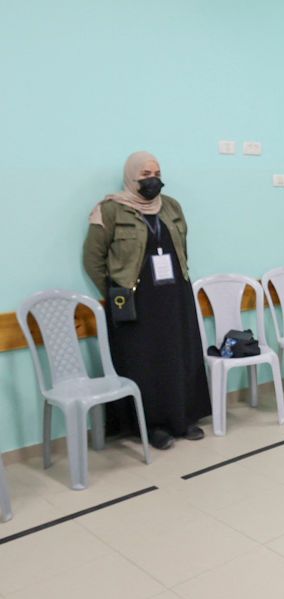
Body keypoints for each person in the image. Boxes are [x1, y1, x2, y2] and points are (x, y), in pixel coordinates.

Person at [83, 151, 210, 450]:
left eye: (156, 173)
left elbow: (183, 246)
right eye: (145, 175)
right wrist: (116, 290)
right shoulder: (111, 210)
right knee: (146, 362)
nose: (153, 180)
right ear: (131, 176)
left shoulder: (171, 206)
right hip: (136, 301)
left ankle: (182, 419)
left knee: (178, 356)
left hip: (175, 294)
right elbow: (93, 258)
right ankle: (152, 426)